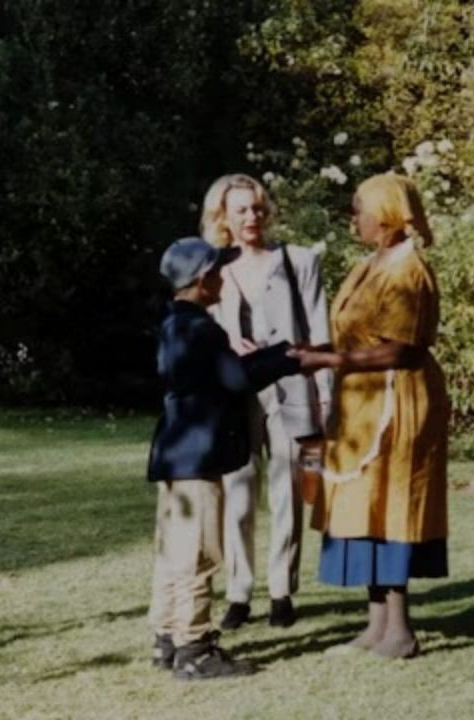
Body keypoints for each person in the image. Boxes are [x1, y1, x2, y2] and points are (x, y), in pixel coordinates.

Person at [146, 237, 322, 680]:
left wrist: (274, 355)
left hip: (174, 451)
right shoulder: (202, 328)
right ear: (204, 278)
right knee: (199, 552)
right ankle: (195, 649)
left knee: (172, 551)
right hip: (198, 455)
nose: (223, 279)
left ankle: (166, 637)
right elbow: (236, 378)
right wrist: (289, 358)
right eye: (218, 272)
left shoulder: (173, 322)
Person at [301, 173, 449, 659]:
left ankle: (400, 630)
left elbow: (401, 349)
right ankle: (376, 624)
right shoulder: (369, 265)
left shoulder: (409, 270)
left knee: (391, 503)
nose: (353, 218)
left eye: (359, 209)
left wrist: (331, 360)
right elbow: (355, 334)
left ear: (386, 214)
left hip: (397, 401)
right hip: (360, 402)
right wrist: (314, 350)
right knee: (363, 504)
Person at [200, 173, 333, 629]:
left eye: (257, 208)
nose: (251, 217)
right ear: (223, 216)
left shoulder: (298, 261)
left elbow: (320, 332)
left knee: (288, 490)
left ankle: (281, 591)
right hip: (236, 391)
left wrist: (326, 396)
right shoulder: (213, 266)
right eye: (241, 210)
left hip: (291, 388)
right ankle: (239, 592)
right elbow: (198, 332)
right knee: (238, 492)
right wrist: (226, 341)